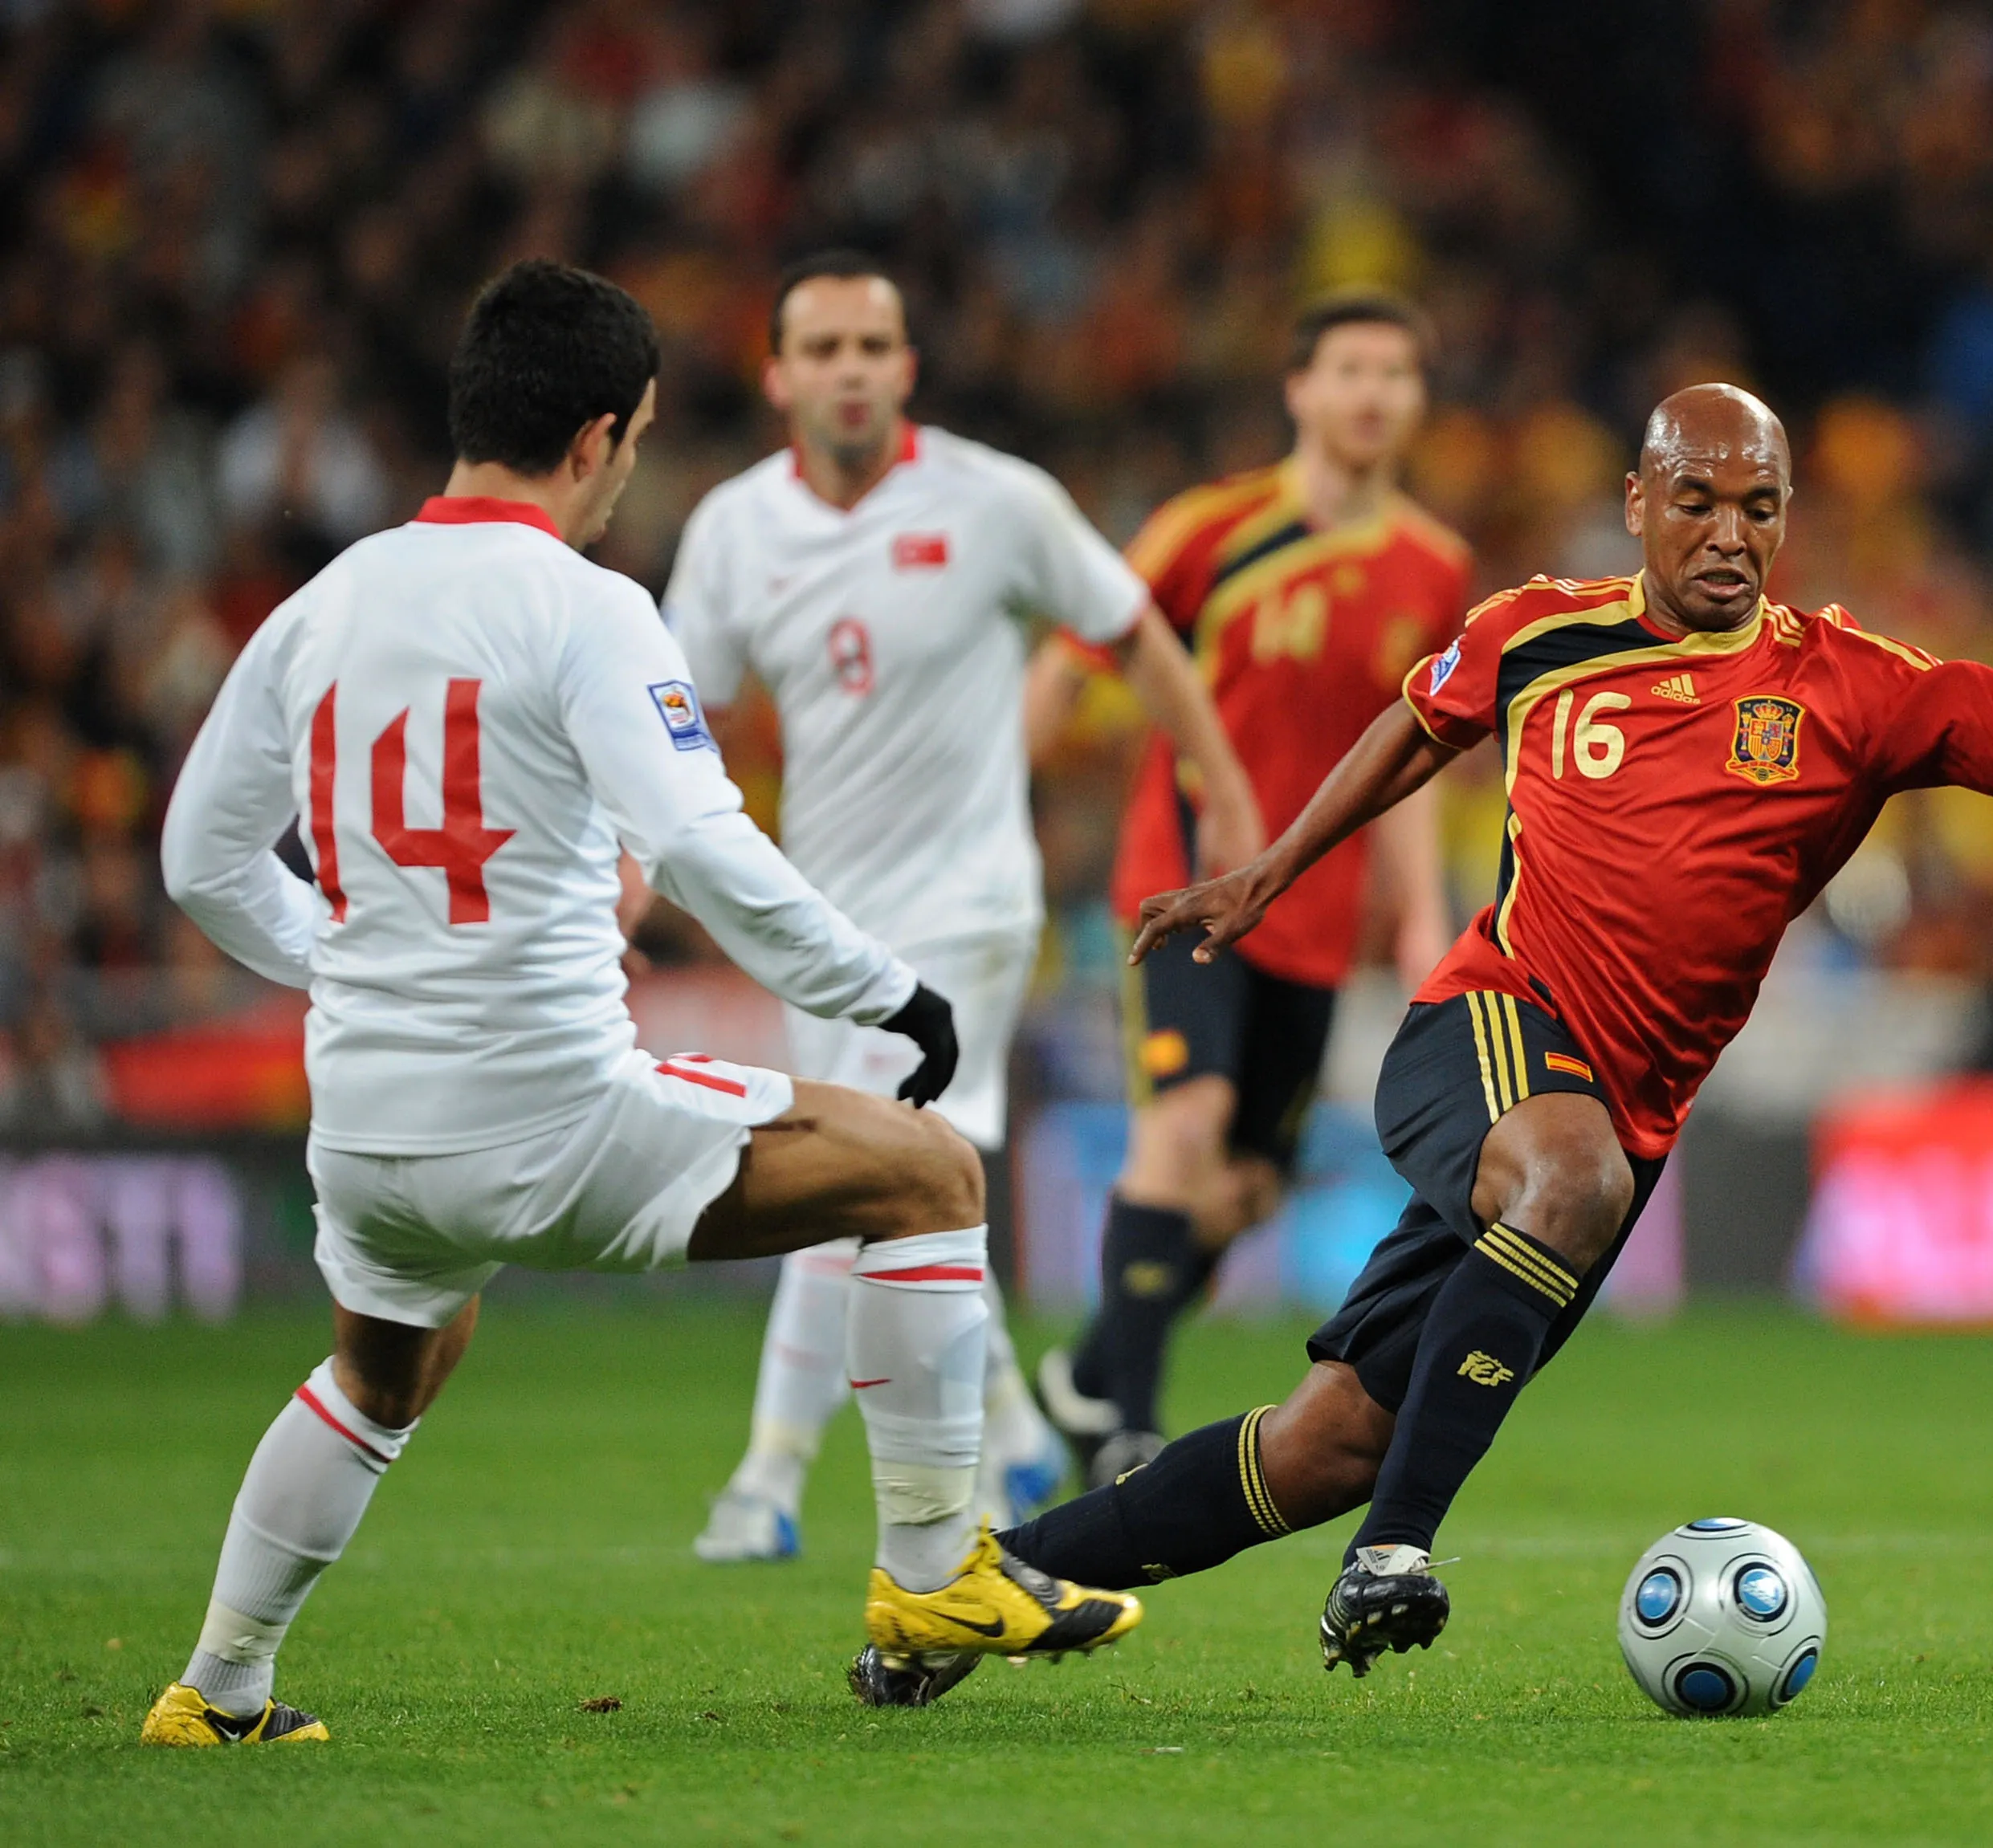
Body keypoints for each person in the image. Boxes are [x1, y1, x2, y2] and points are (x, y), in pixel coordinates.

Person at [860, 381, 1993, 1703]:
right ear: (1638, 505)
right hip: (1486, 1027)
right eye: (1698, 501)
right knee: (1571, 1183)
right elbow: (1411, 730)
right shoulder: (1538, 633)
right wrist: (1268, 871)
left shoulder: (1854, 686)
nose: (1728, 533)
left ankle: (963, 1594)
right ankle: (1395, 1554)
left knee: (1332, 1440)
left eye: (1759, 508)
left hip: (1620, 1118)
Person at [139, 260, 1139, 1748]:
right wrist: (879, 987)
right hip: (548, 1111)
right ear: (602, 436)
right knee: (928, 1169)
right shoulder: (585, 606)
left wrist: (344, 961)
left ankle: (215, 1690)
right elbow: (692, 842)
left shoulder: (325, 601)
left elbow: (198, 857)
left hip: (365, 1124)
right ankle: (934, 1574)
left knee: (385, 1367)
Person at [668, 252, 1261, 1566]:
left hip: (970, 907)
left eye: (873, 346)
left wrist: (1219, 787)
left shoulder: (997, 502)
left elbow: (1134, 630)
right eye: (822, 348)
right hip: (820, 921)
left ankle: (766, 1480)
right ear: (777, 375)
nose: (851, 371)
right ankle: (1009, 1422)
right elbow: (677, 719)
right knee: (897, 1184)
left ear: (908, 368)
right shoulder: (731, 531)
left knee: (861, 1174)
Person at [1031, 289, 1469, 1486]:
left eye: (1396, 371)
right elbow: (1069, 665)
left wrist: (1421, 906)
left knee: (1242, 1192)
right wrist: (999, 820)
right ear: (1300, 390)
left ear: (1418, 399)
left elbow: (1417, 752)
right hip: (1189, 886)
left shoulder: (1435, 568)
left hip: (1316, 921)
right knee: (1183, 1121)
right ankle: (1123, 1418)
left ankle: (1086, 1368)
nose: (1373, 392)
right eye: (1350, 369)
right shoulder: (1205, 531)